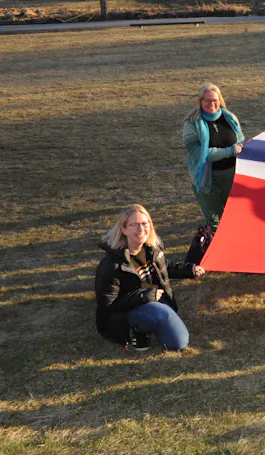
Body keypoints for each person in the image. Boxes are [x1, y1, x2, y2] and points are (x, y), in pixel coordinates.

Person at [95, 204, 206, 351]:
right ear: (124, 229)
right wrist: (144, 296)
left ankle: (150, 322)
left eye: (144, 224)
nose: (141, 230)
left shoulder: (152, 248)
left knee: (177, 341)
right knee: (177, 342)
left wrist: (189, 270)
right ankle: (137, 330)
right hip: (129, 311)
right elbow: (108, 304)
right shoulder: (111, 265)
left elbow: (165, 267)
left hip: (155, 301)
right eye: (134, 225)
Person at [182, 84, 245, 229]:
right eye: (207, 100)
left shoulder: (230, 118)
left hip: (233, 177)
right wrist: (230, 151)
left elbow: (240, 140)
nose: (212, 104)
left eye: (215, 100)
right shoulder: (191, 124)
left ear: (220, 100)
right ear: (200, 101)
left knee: (234, 217)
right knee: (215, 222)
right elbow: (198, 154)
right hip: (207, 179)